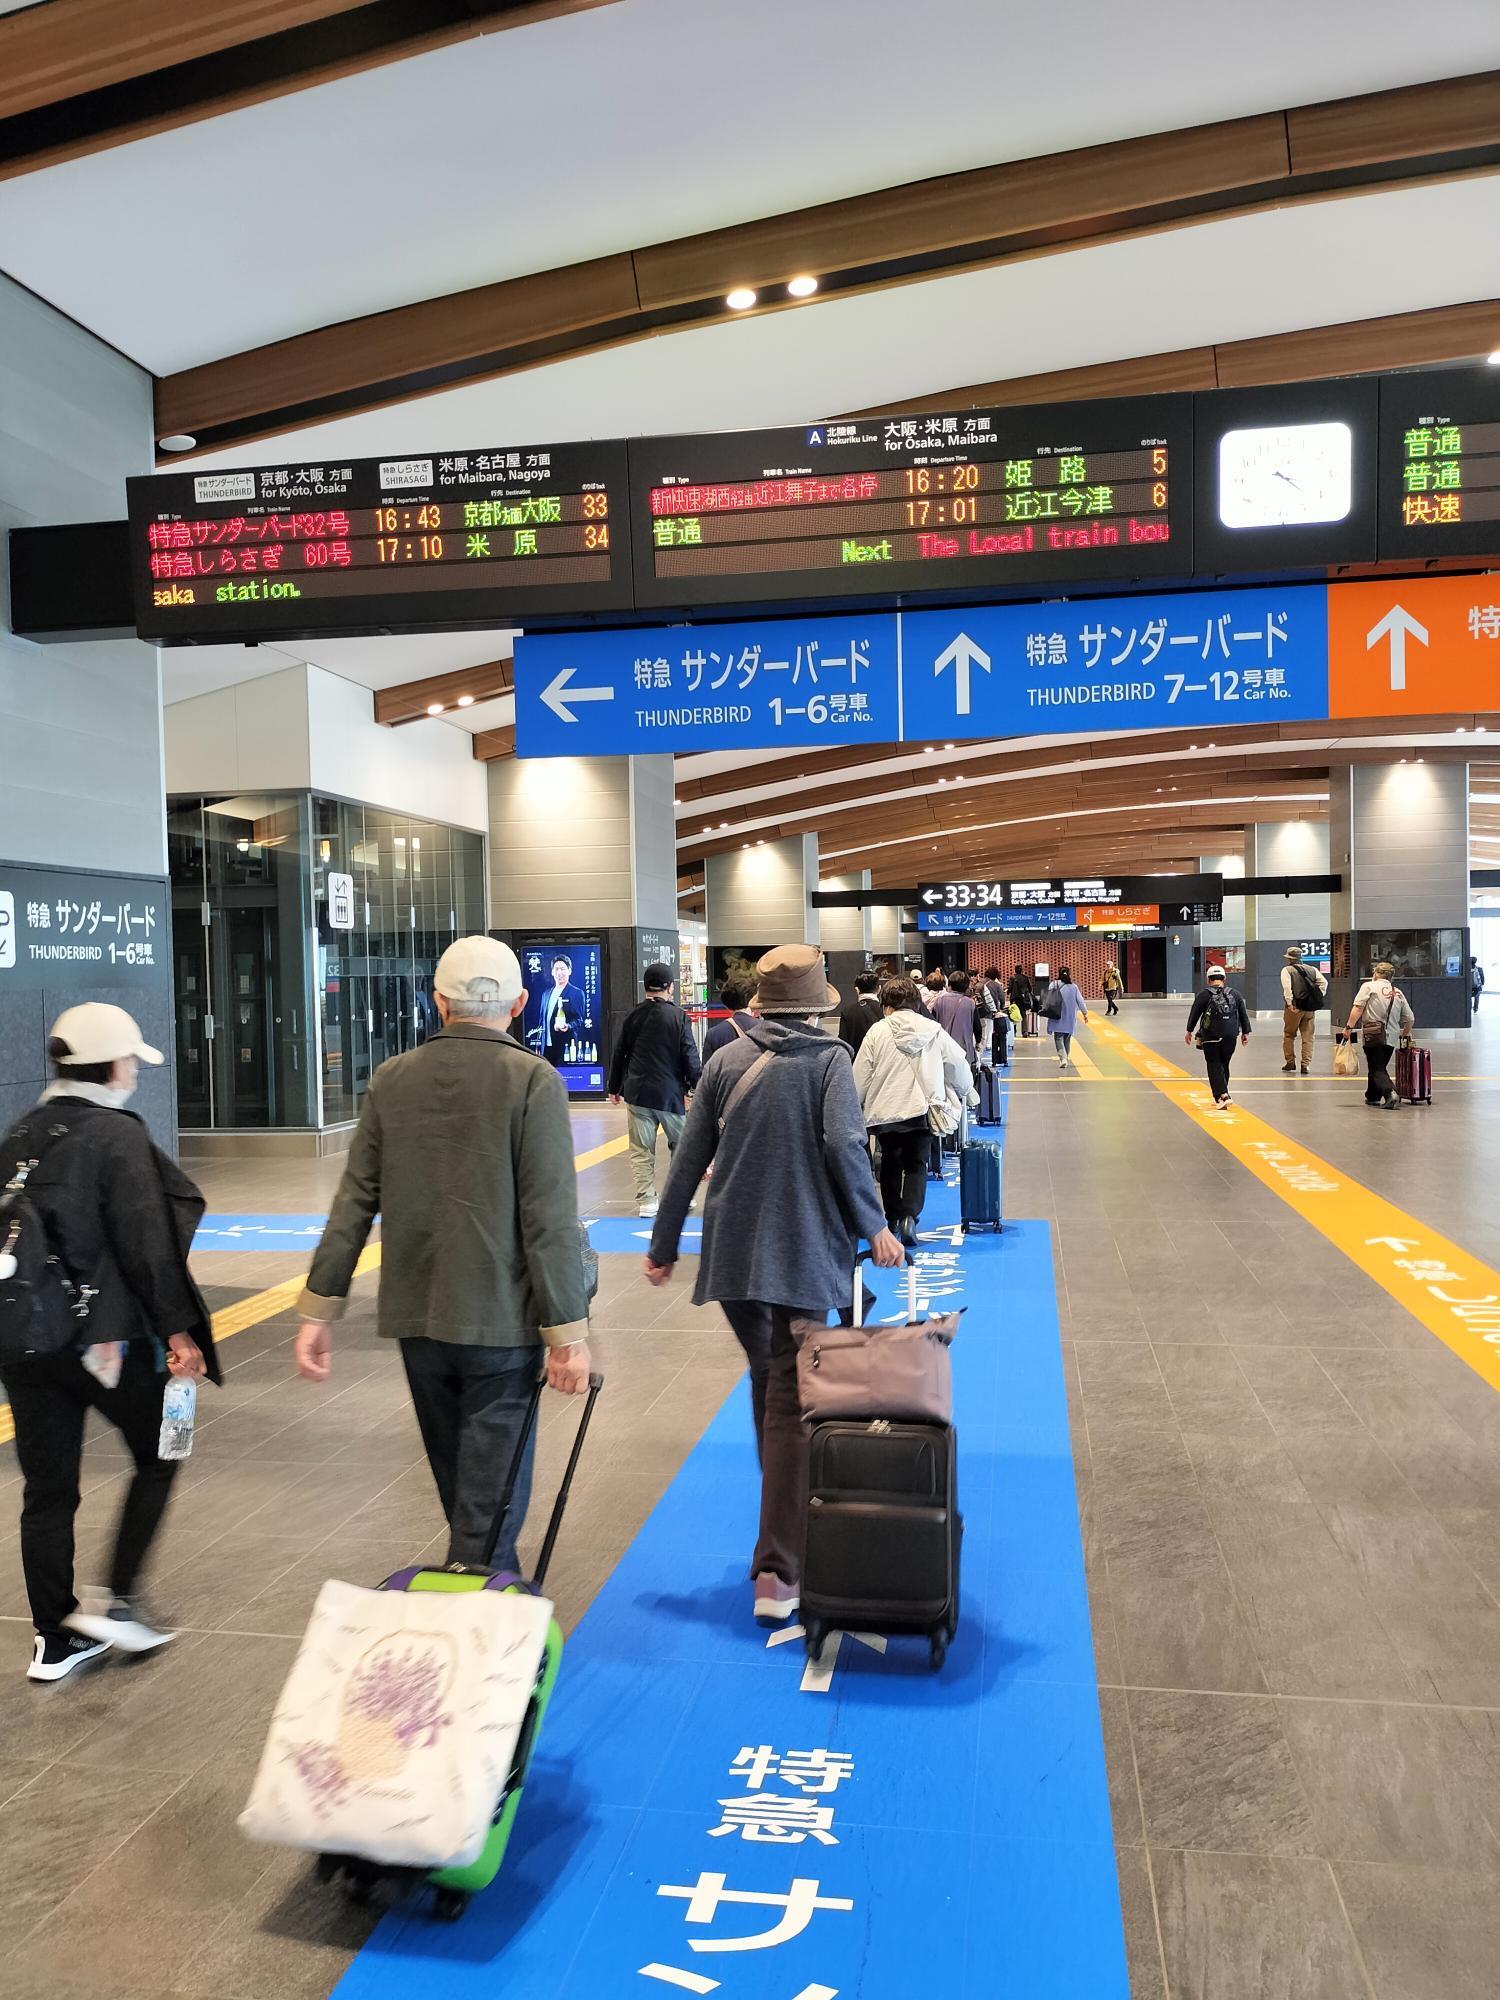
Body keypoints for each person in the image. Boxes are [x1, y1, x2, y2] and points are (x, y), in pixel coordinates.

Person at [295, 937, 592, 1575]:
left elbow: (353, 1201)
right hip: (502, 1323)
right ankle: (477, 1632)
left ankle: (474, 1605)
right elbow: (550, 1220)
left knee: (463, 1491)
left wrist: (319, 1310)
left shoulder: (391, 1079)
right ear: (517, 1004)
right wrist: (568, 1334)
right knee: (490, 1504)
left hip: (416, 1319)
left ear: (438, 1002)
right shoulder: (533, 1080)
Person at [642, 945, 901, 1627]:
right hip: (801, 1251)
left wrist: (663, 1244)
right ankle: (778, 1567)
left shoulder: (725, 1059)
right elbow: (846, 1148)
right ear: (819, 1006)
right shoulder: (829, 1063)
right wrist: (876, 1227)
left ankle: (783, 1503)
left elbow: (688, 1160)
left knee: (770, 1381)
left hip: (732, 1256)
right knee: (789, 1397)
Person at [0, 1004, 215, 1683]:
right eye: (129, 1061)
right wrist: (179, 1332)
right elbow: (148, 1246)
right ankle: (119, 1599)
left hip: (25, 1343)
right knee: (163, 1449)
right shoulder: (117, 1136)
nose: (132, 1073)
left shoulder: (19, 1134)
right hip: (105, 1344)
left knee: (48, 1487)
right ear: (111, 1065)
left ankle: (53, 1639)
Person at [853, 976, 973, 1245]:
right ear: (916, 1003)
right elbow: (957, 1064)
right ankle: (910, 1217)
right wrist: (966, 1091)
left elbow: (860, 1076)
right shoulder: (933, 1030)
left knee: (889, 1165)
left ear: (886, 1005)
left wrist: (854, 1105)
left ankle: (893, 1218)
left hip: (885, 1112)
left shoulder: (877, 1031)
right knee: (917, 1164)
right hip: (922, 1111)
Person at [608, 961, 702, 1218]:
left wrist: (614, 1087)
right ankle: (680, 1196)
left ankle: (647, 1201)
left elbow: (620, 1053)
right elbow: (689, 1055)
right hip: (670, 1095)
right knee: (681, 1146)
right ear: (670, 987)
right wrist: (699, 1086)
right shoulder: (679, 1016)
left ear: (645, 987)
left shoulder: (632, 1015)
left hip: (638, 1093)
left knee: (641, 1150)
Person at [1344, 959, 1415, 1110]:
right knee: (1378, 1065)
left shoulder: (1368, 986)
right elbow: (1410, 1018)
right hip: (1392, 1037)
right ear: (1391, 977)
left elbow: (1358, 1008)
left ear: (1376, 973)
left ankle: (1391, 1093)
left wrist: (1348, 1027)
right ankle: (1373, 1096)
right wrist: (1405, 1034)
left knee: (1377, 1068)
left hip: (1373, 1034)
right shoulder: (1398, 993)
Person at [1184, 964, 1252, 1107]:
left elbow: (1195, 1013)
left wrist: (1189, 1030)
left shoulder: (1204, 995)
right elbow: (1243, 1015)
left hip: (1211, 1036)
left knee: (1213, 1064)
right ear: (1224, 979)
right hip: (1231, 1036)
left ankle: (1223, 1095)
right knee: (1224, 1064)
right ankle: (1221, 1096)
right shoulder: (1235, 994)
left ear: (1209, 980)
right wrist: (1245, 1032)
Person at [1280, 946, 1328, 1075]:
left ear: (1289, 958)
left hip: (1295, 1007)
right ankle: (1305, 1065)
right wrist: (1316, 997)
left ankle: (1290, 1062)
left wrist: (1290, 1004)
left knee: (1289, 1034)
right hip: (1309, 1008)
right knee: (1308, 1036)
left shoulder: (1287, 970)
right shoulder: (1312, 969)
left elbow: (1287, 989)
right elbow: (1324, 983)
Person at [539, 954, 586, 1068]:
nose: (559, 972)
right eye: (556, 969)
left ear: (569, 971)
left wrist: (568, 1026)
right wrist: (539, 1046)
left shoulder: (576, 993)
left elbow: (579, 1020)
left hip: (565, 1046)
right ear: (552, 972)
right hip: (546, 1048)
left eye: (563, 969)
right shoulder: (546, 994)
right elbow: (541, 1022)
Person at [931, 968, 978, 1068]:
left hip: (943, 1048)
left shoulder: (939, 1001)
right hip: (964, 1048)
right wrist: (978, 1042)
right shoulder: (970, 1003)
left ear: (949, 985)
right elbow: (977, 1026)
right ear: (966, 987)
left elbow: (933, 1023)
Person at [703, 974, 756, 1060]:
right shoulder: (765, 1028)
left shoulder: (714, 1034)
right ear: (753, 998)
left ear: (726, 1003)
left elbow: (707, 1071)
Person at [1045, 965, 1089, 1068]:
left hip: (1057, 1015)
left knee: (1058, 1038)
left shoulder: (1054, 984)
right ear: (1069, 974)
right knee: (1067, 1038)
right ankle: (1066, 1058)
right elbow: (1080, 1001)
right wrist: (1084, 1013)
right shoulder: (1074, 987)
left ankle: (1063, 1058)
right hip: (1070, 1017)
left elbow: (1047, 999)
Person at [837, 970, 883, 1055]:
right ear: (879, 989)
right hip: (880, 1063)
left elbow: (843, 1042)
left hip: (855, 1063)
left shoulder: (847, 1011)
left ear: (857, 990)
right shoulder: (885, 1010)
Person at [1007, 964, 1036, 1037]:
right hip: (1023, 999)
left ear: (1015, 970)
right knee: (1023, 1015)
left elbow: (1010, 988)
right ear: (1021, 970)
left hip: (1014, 999)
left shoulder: (1012, 978)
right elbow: (1030, 988)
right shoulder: (1025, 978)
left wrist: (1008, 992)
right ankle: (1024, 1032)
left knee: (1013, 1014)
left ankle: (1014, 1031)